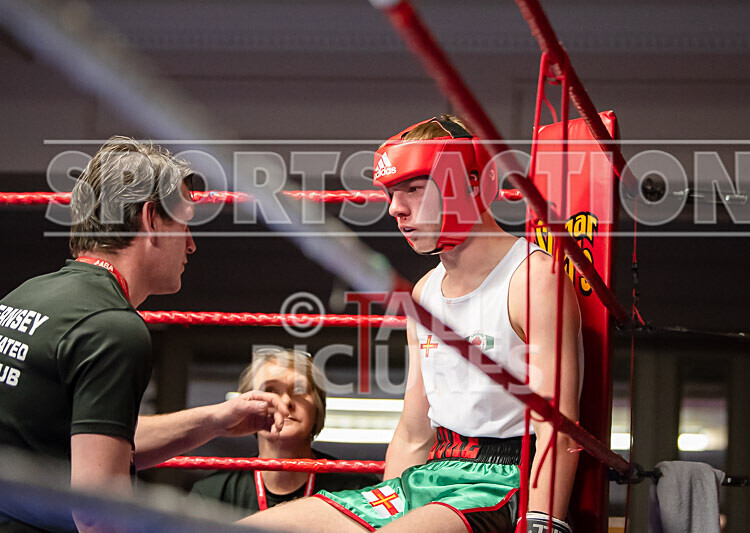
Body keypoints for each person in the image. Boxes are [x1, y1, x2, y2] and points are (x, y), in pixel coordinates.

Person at [238, 115, 583, 533]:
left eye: (413, 190)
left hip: (502, 482)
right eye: (391, 193)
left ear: (466, 185)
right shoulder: (423, 293)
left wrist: (543, 526)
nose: (395, 209)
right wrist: (376, 517)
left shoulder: (533, 280)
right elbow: (415, 430)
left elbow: (559, 427)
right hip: (430, 476)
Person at [0, 137, 289, 533]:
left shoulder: (26, 295)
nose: (191, 244)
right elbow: (98, 514)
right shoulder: (112, 327)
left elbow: (93, 435)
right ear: (152, 219)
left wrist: (217, 420)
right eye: (184, 222)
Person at [190, 347, 379, 514]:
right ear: (247, 407)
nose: (286, 402)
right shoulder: (212, 494)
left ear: (318, 409)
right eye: (270, 390)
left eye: (299, 390)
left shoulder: (358, 490)